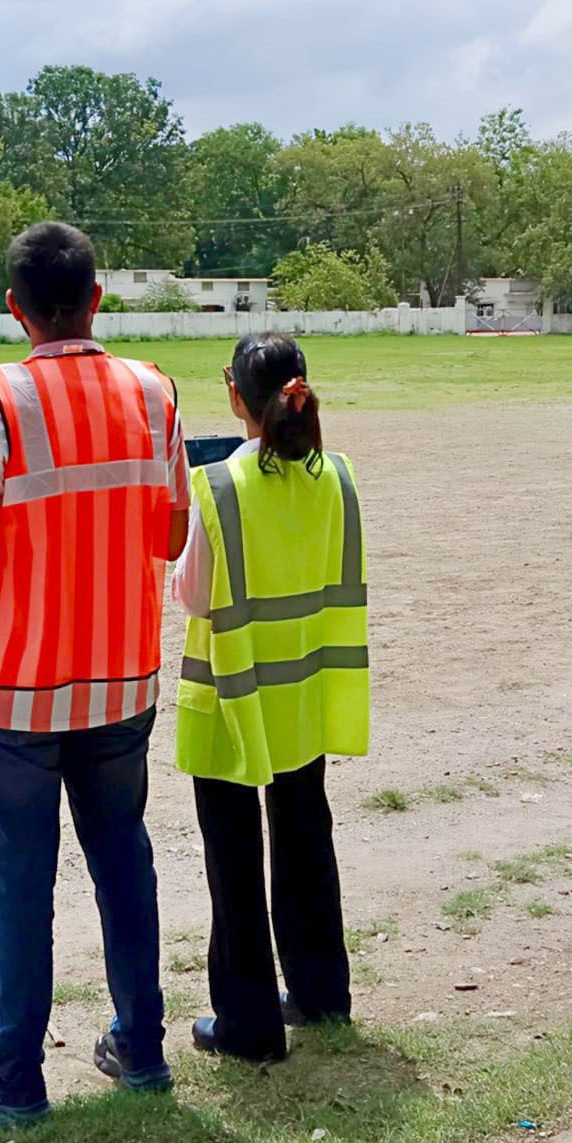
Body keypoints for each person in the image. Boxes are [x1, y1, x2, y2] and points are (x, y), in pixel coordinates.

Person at [0, 222, 190, 1124]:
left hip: (12, 690)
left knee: (18, 881)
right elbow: (171, 535)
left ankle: (16, 1075)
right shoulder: (154, 394)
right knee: (125, 864)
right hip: (121, 678)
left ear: (15, 308)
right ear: (97, 297)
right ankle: (142, 1044)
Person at [171, 331, 370, 1062]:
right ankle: (320, 992)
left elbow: (193, 594)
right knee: (305, 841)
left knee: (233, 857)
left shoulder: (220, 482)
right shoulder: (338, 476)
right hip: (306, 691)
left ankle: (248, 1024)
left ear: (235, 394)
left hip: (233, 693)